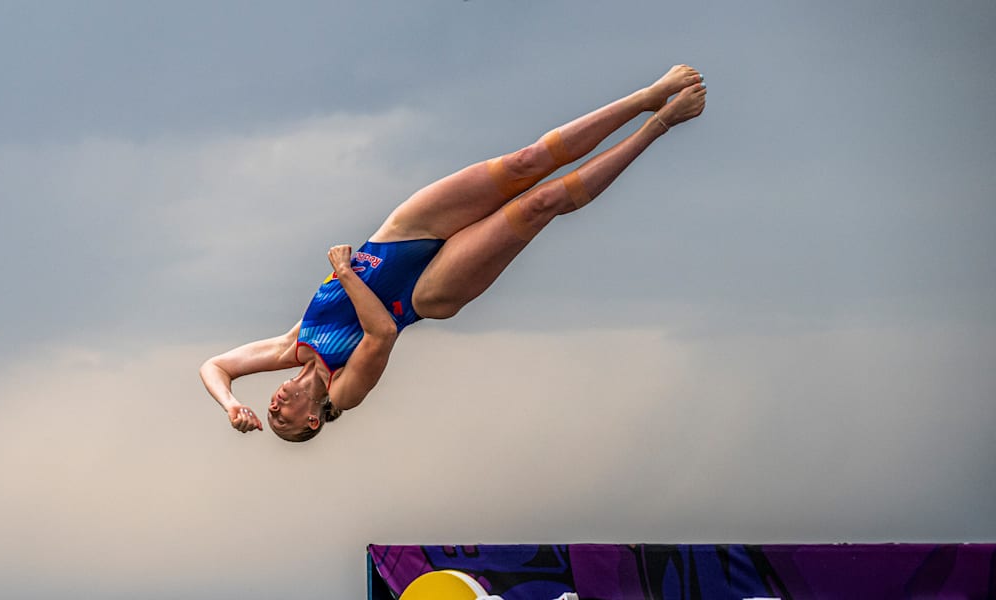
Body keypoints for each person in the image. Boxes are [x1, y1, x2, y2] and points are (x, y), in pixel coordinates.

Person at [200, 65, 706, 442]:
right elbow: (378, 333)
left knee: (522, 163)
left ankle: (646, 96)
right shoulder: (343, 393)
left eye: (267, 411)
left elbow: (215, 366)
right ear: (312, 418)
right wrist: (343, 274)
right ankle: (659, 124)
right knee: (539, 205)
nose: (272, 407)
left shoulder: (292, 345)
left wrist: (228, 406)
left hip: (399, 236)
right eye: (280, 420)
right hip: (426, 292)